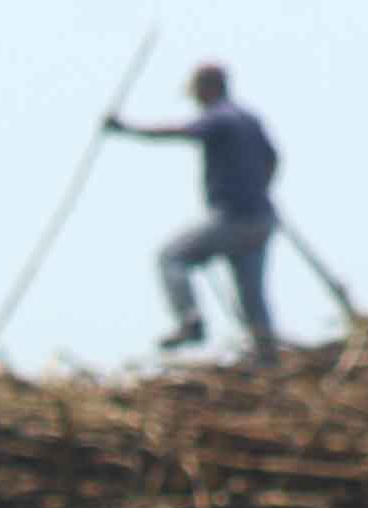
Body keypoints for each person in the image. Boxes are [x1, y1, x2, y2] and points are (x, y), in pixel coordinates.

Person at [106, 62, 283, 362]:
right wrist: (257, 187)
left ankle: (190, 321)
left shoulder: (220, 118)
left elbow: (182, 131)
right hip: (261, 219)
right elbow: (273, 157)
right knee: (251, 293)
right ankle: (267, 356)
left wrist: (127, 129)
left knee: (172, 256)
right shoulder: (250, 120)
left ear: (207, 88)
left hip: (233, 218)